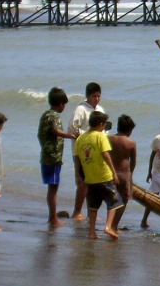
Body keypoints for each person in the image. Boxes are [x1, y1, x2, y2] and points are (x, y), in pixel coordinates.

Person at [73, 111, 123, 240]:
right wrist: (114, 172)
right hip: (104, 176)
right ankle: (108, 227)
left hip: (90, 178)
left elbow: (77, 159)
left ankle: (91, 232)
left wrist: (77, 176)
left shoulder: (81, 138)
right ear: (101, 124)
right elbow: (106, 155)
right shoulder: (100, 137)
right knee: (115, 202)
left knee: (93, 206)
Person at [37, 87, 76, 227]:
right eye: (64, 104)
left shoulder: (46, 115)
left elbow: (41, 135)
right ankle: (53, 218)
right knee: (53, 189)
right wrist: (71, 135)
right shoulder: (53, 116)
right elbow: (56, 131)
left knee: (52, 188)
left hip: (48, 156)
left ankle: (52, 217)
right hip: (52, 158)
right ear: (59, 103)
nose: (64, 107)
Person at [67, 82, 105, 220]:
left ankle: (91, 213)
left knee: (93, 184)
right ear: (88, 96)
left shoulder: (100, 110)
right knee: (83, 183)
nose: (97, 99)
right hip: (81, 152)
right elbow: (72, 129)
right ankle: (76, 212)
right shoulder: (81, 109)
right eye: (94, 96)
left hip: (97, 152)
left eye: (99, 96)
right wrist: (87, 134)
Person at [108, 114, 137, 233]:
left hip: (110, 173)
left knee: (111, 200)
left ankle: (109, 224)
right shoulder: (131, 143)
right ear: (129, 130)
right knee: (123, 200)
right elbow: (133, 162)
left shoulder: (109, 138)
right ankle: (114, 225)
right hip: (124, 174)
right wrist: (131, 176)